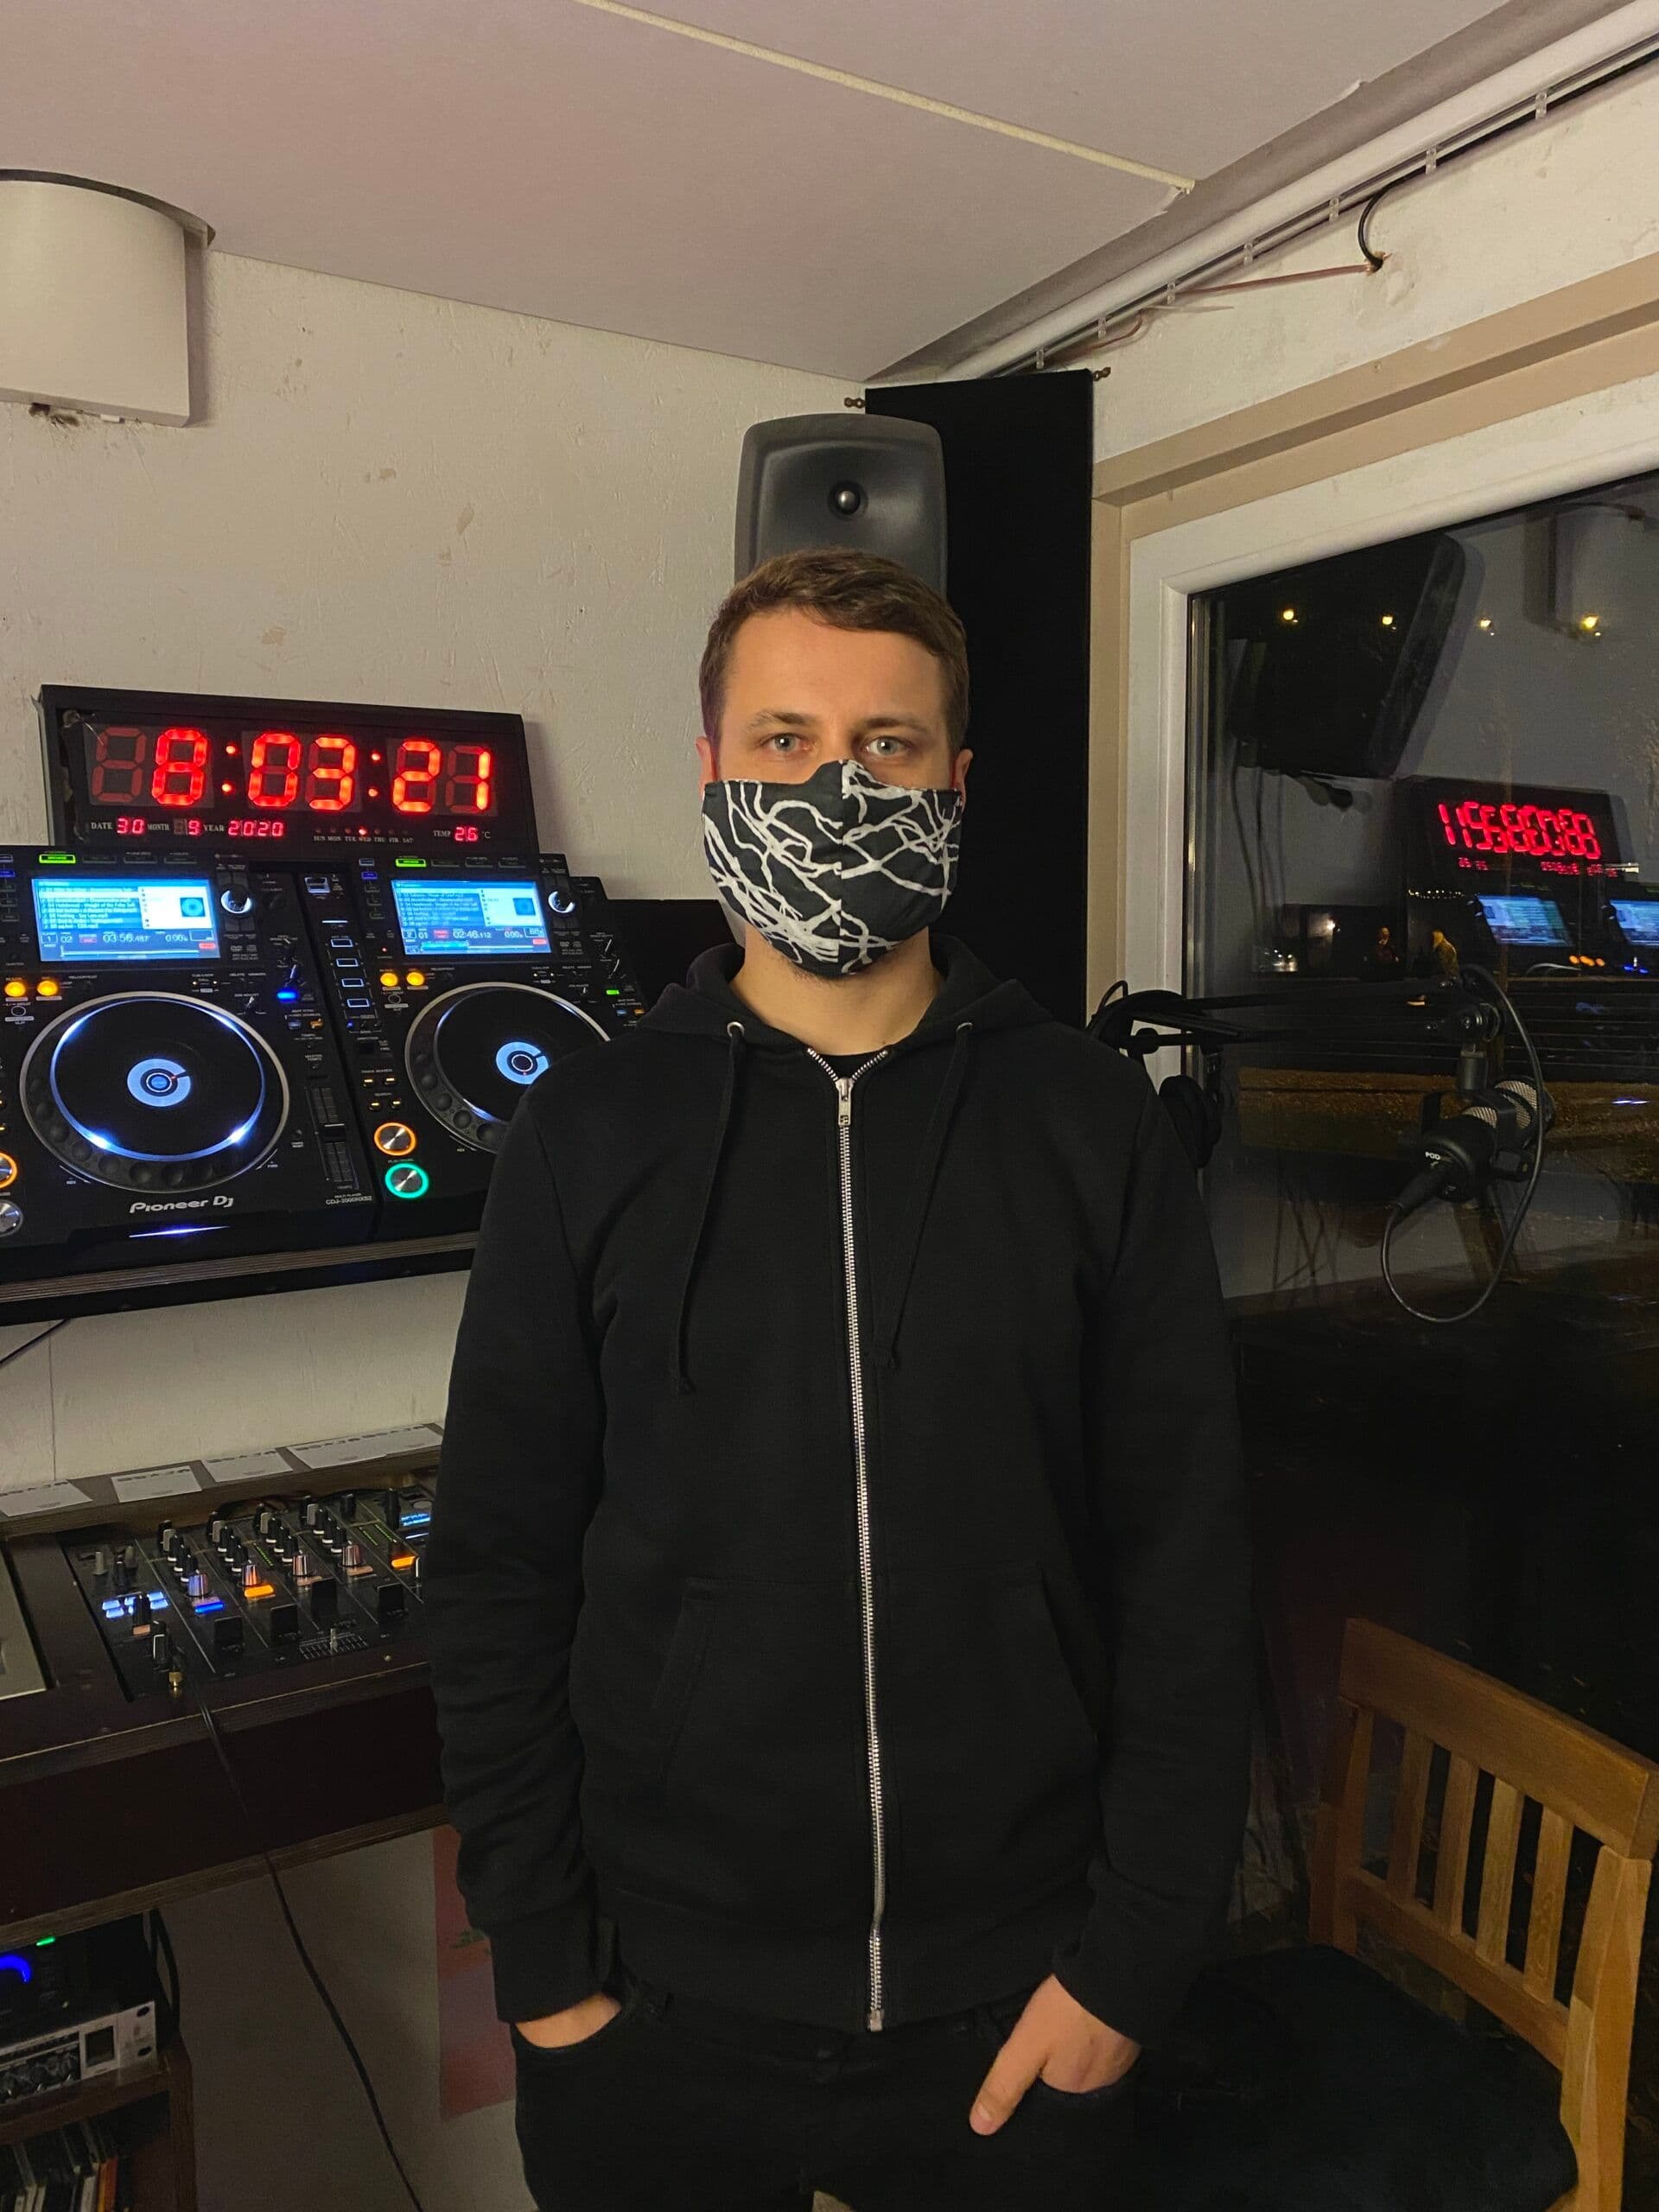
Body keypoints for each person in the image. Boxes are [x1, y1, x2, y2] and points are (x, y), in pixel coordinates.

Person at [423, 545, 1254, 2210]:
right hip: (654, 2003)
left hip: (1023, 1996)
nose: (835, 787)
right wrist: (546, 1965)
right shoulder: (588, 1131)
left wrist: (1134, 1960)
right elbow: (500, 1566)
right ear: (714, 768)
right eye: (786, 741)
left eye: (887, 745)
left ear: (957, 780)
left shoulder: (1091, 1122)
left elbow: (1187, 1555)